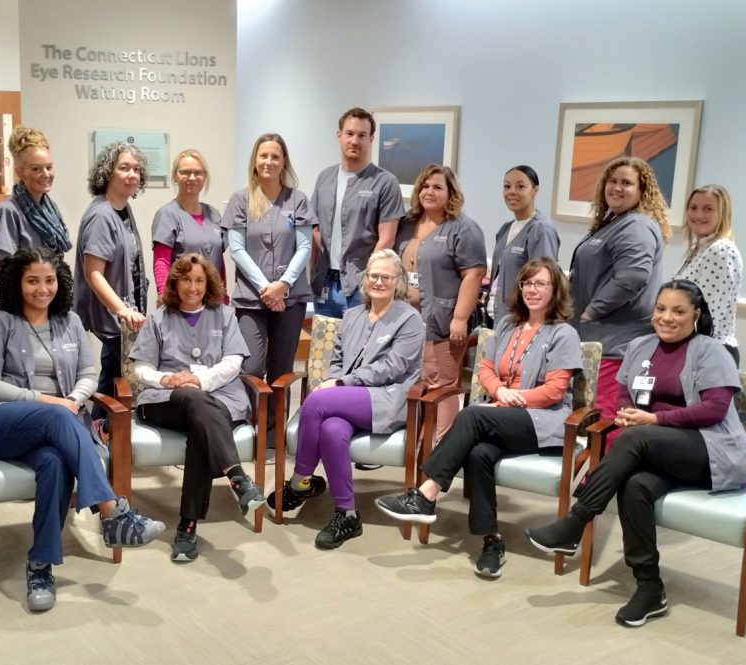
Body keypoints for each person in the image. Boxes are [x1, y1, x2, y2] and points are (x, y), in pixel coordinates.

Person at [527, 279, 746, 628]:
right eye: (661, 309)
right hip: (659, 449)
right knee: (635, 487)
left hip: (709, 450)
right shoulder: (639, 346)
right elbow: (623, 397)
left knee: (635, 440)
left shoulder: (711, 350)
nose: (667, 317)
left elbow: (715, 409)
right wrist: (627, 414)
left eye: (678, 311)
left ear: (696, 314)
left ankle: (576, 521)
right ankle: (650, 588)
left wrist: (654, 419)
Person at [0, 248, 165, 612]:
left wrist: (71, 398)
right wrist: (48, 401)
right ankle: (113, 513)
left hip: (57, 427)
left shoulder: (70, 321)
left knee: (55, 463)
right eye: (32, 281)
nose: (43, 289)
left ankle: (40, 565)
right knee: (59, 418)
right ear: (15, 283)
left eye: (50, 280)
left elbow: (89, 373)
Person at [375, 257, 581, 578]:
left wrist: (516, 399)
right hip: (500, 414)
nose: (532, 290)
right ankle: (491, 540)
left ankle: (426, 494)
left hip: (543, 422)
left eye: (541, 284)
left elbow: (555, 390)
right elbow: (485, 367)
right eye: (527, 283)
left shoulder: (563, 333)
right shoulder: (507, 325)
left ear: (556, 290)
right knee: (478, 453)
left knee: (471, 415)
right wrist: (500, 392)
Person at [266, 249, 424, 549]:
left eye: (386, 277)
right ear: (365, 280)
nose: (378, 282)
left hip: (388, 399)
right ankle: (347, 514)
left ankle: (300, 482)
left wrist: (340, 383)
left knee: (316, 401)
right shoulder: (351, 316)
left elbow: (390, 369)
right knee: (331, 429)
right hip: (350, 396)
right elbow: (337, 360)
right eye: (373, 276)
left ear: (398, 281)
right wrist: (337, 379)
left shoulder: (410, 319)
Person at [130, 253, 266, 562]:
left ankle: (187, 527)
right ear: (175, 283)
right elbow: (141, 369)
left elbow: (233, 362)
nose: (193, 287)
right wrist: (168, 380)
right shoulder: (158, 318)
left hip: (216, 398)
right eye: (186, 280)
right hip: (166, 401)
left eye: (199, 281)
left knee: (200, 427)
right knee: (191, 400)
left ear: (209, 285)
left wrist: (198, 379)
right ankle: (237, 478)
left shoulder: (225, 315)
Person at [221, 133, 313, 461]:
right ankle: (249, 429)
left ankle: (272, 440)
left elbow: (305, 246)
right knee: (252, 365)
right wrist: (267, 287)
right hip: (251, 298)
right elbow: (236, 249)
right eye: (263, 156)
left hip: (290, 297)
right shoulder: (240, 199)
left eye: (275, 156)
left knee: (280, 369)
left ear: (284, 162)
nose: (269, 162)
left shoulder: (298, 200)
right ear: (255, 161)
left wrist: (284, 285)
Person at [569, 156, 670, 444]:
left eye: (626, 183)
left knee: (609, 413)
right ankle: (592, 476)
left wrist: (591, 311)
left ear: (641, 190)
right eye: (612, 181)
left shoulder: (636, 225)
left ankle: (602, 479)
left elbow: (634, 277)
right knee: (596, 411)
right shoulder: (614, 222)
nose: (617, 187)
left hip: (617, 341)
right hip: (599, 337)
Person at [395, 164, 487, 442]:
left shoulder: (463, 228)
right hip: (406, 322)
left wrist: (459, 318)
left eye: (437, 187)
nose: (429, 192)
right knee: (414, 382)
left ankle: (438, 449)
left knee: (441, 386)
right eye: (424, 186)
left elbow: (474, 273)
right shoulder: (407, 225)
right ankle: (416, 445)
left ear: (451, 193)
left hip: (442, 323)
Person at [74, 141, 150, 421]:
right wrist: (121, 310)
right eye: (124, 168)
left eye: (136, 169)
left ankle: (106, 438)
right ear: (108, 173)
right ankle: (99, 440)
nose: (132, 174)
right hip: (115, 318)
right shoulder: (102, 215)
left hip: (127, 317)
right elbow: (93, 273)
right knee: (111, 385)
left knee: (116, 382)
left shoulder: (122, 209)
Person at [310, 107, 405, 317]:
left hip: (360, 285)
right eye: (350, 134)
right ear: (339, 136)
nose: (355, 141)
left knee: (358, 347)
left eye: (362, 135)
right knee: (325, 346)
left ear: (371, 138)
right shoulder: (324, 178)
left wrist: (367, 279)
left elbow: (386, 240)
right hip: (324, 281)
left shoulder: (385, 182)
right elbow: (314, 228)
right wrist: (310, 274)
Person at [673, 184, 742, 365]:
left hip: (709, 353)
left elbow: (709, 316)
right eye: (693, 208)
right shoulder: (700, 248)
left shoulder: (721, 249)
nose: (699, 215)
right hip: (694, 348)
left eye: (708, 209)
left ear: (722, 214)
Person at [487, 165, 560, 325]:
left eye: (520, 186)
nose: (512, 192)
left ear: (535, 190)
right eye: (507, 186)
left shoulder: (541, 230)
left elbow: (543, 283)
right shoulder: (506, 229)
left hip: (522, 322)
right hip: (497, 319)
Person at [150, 149, 226, 295]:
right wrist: (163, 296)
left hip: (213, 299)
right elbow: (161, 262)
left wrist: (224, 295)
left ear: (204, 177)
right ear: (175, 177)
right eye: (184, 172)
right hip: (182, 299)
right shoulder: (167, 214)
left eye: (198, 173)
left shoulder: (214, 214)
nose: (192, 177)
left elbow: (219, 261)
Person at [0, 125, 71, 261]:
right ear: (20, 172)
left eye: (49, 167)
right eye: (36, 169)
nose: (46, 174)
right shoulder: (9, 211)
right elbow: (6, 268)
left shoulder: (50, 209)